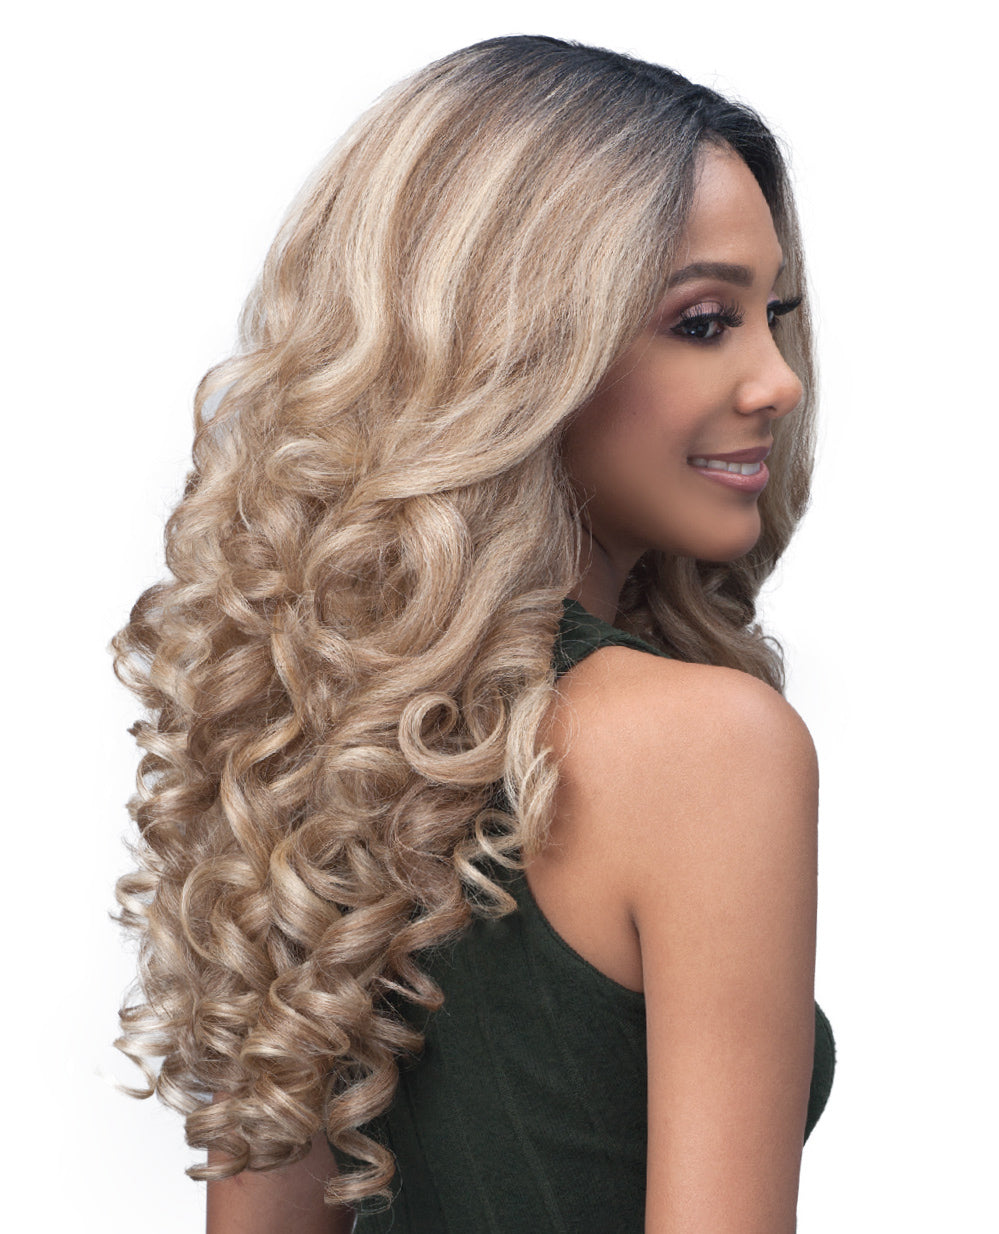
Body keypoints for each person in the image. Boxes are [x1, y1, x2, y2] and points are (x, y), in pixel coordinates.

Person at [110, 34, 835, 1233]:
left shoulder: (310, 735)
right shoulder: (710, 747)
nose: (779, 380)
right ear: (517, 347)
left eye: (776, 315)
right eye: (707, 320)